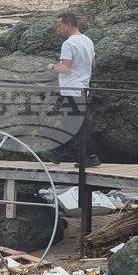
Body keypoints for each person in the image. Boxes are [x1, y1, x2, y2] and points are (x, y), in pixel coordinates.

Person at [47, 12, 100, 167]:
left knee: (76, 124)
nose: (58, 29)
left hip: (71, 89)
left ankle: (91, 156)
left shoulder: (69, 44)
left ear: (68, 25)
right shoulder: (87, 40)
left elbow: (65, 68)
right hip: (83, 88)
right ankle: (56, 152)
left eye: (59, 26)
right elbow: (93, 63)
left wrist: (52, 67)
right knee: (70, 122)